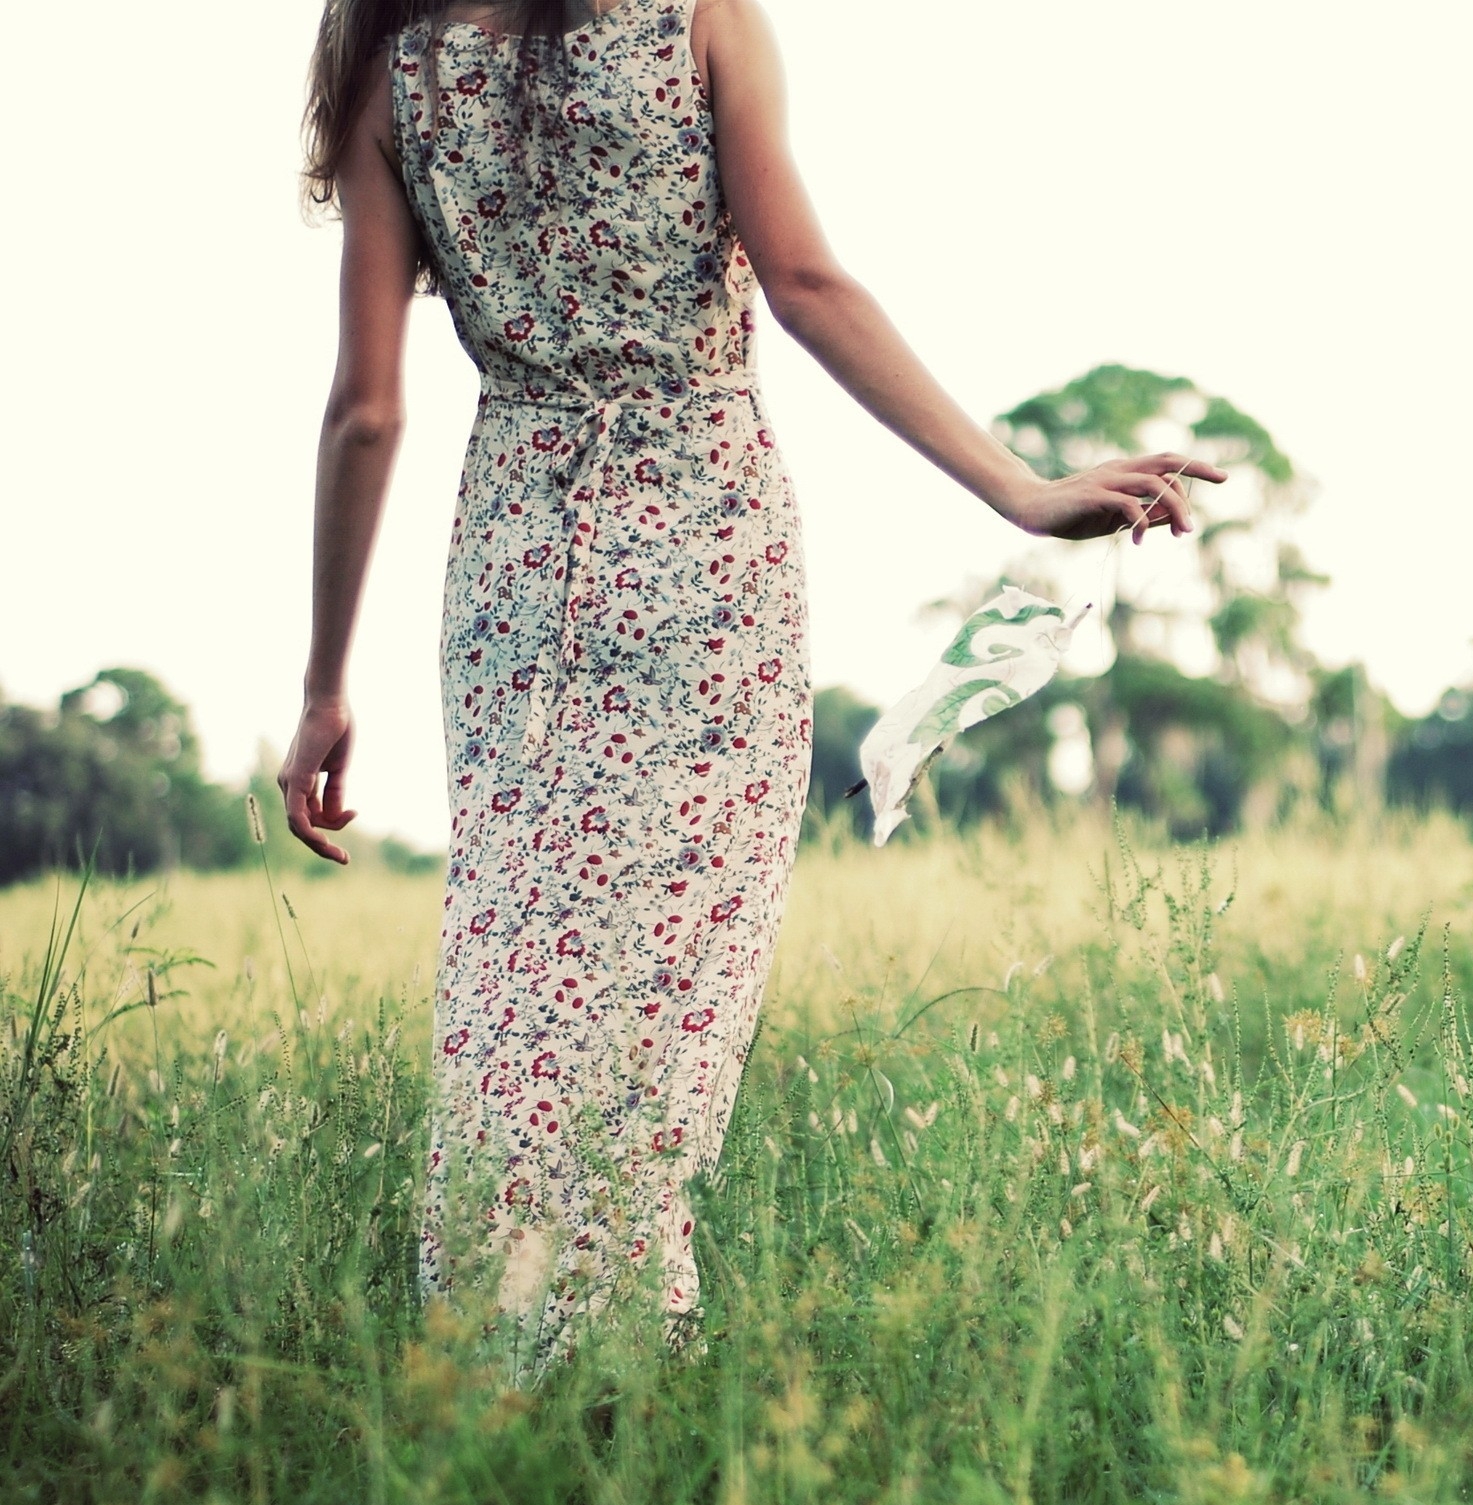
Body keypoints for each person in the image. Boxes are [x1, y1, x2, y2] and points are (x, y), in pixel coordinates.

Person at [280, 0, 1222, 1375]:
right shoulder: (695, 18)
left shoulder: (391, 65)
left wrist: (323, 683)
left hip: (514, 562)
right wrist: (1019, 488)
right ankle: (617, 1360)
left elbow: (367, 406)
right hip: (702, 543)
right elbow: (807, 284)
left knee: (517, 960)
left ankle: (499, 1339)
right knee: (670, 967)